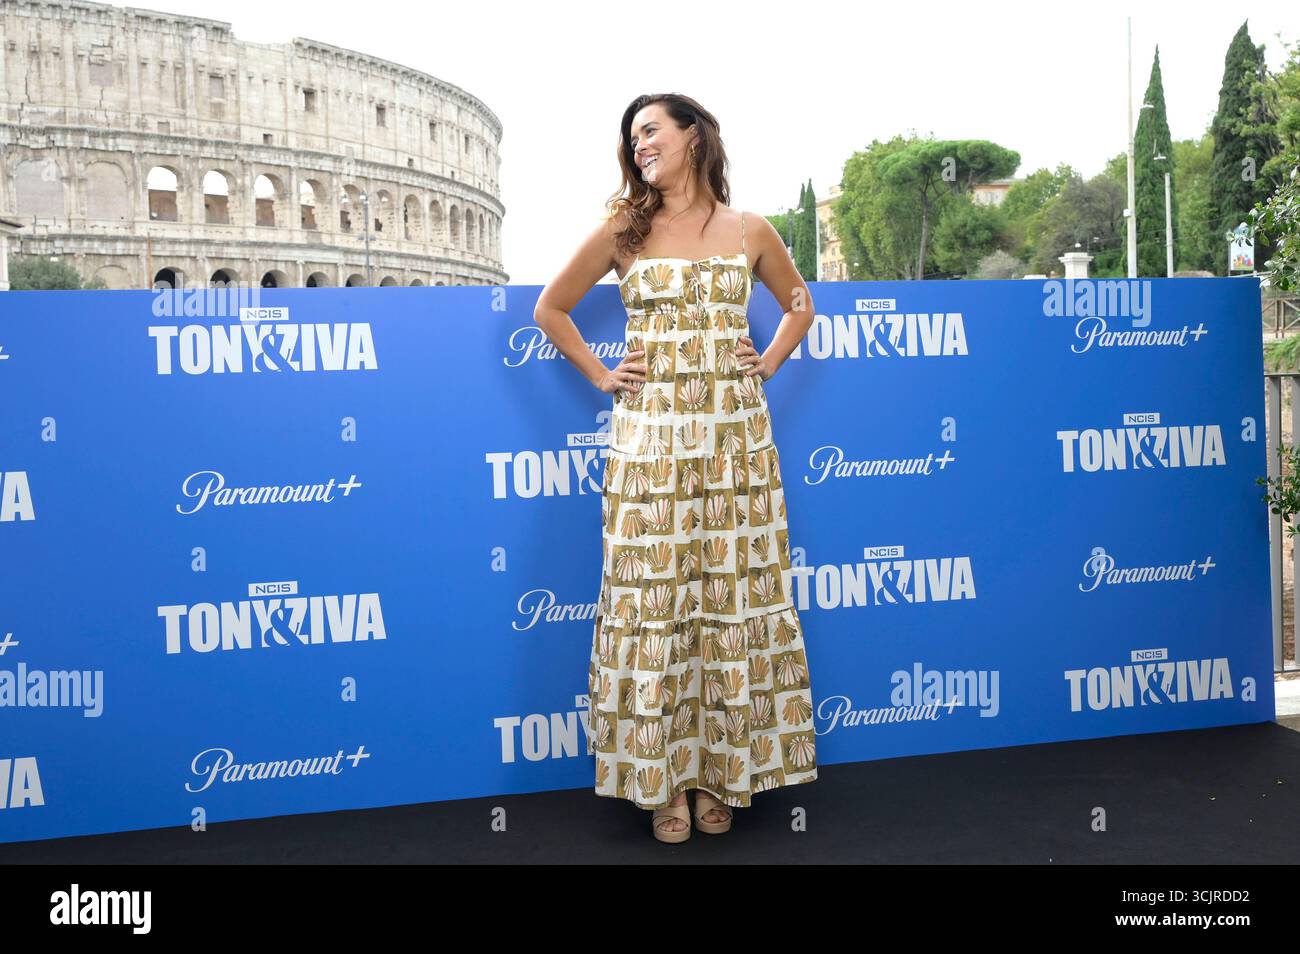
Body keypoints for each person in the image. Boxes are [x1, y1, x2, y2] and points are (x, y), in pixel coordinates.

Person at [534, 93, 818, 843]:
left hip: (736, 447)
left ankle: (721, 773)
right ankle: (663, 785)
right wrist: (602, 375)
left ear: (693, 136)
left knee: (729, 605)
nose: (639, 146)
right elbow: (551, 309)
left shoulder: (750, 229)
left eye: (650, 130)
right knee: (655, 610)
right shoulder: (625, 231)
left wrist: (769, 362)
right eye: (631, 138)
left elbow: (799, 304)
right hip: (651, 445)